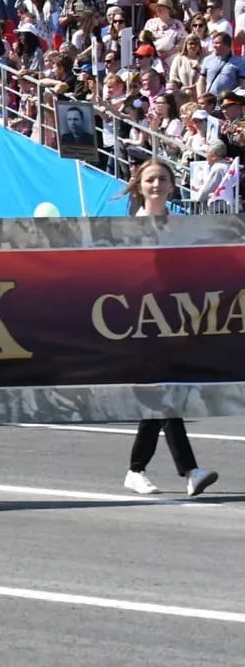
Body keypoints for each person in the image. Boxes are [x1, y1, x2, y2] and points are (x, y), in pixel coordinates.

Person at [119, 160, 219, 495]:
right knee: (166, 392)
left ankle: (136, 469)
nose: (157, 184)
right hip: (143, 322)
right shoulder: (131, 229)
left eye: (163, 178)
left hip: (177, 319)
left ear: (173, 185)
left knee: (162, 395)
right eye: (150, 179)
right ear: (139, 186)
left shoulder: (183, 226)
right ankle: (190, 470)